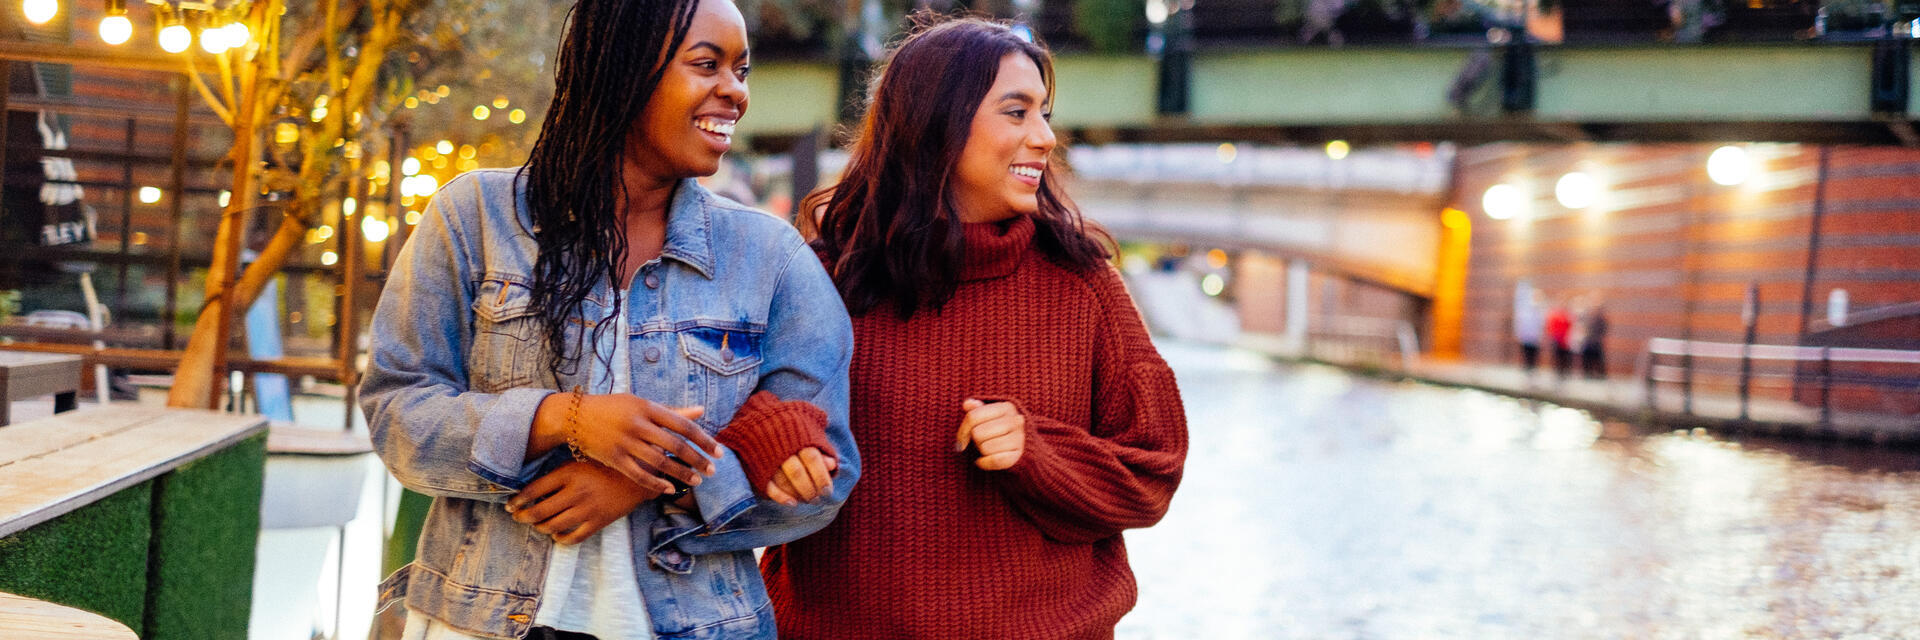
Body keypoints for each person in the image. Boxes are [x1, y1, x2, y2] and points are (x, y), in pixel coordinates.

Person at [359, 1, 857, 638]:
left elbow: (827, 467)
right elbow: (398, 412)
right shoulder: (476, 218)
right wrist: (564, 420)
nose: (735, 92)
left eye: (742, 70)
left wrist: (652, 485)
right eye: (707, 65)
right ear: (621, 71)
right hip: (477, 618)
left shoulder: (771, 260)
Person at [762, 17, 1188, 639]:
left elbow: (1153, 473)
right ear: (937, 123)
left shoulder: (1083, 284)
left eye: (1044, 113)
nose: (1044, 137)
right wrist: (772, 438)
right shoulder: (821, 278)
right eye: (1016, 113)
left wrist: (1036, 454)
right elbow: (728, 423)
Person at [1513, 283, 1543, 373]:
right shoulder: (1525, 309)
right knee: (1526, 354)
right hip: (1526, 336)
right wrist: (1519, 333)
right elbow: (1521, 322)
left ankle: (1532, 369)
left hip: (1535, 337)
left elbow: (1541, 324)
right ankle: (1527, 369)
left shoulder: (1540, 309)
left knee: (1534, 355)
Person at [1579, 298, 1609, 379]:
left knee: (1598, 359)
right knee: (1587, 358)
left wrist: (1599, 338)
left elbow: (1604, 329)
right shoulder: (1588, 317)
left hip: (1596, 341)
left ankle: (1600, 375)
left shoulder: (1601, 318)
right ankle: (1587, 374)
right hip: (1588, 340)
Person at [1546, 297, 1573, 380]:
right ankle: (1557, 372)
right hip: (1557, 340)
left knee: (1564, 357)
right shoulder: (1555, 316)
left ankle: (1564, 372)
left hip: (1565, 341)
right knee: (1557, 357)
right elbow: (1551, 327)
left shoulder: (1567, 316)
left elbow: (1570, 327)